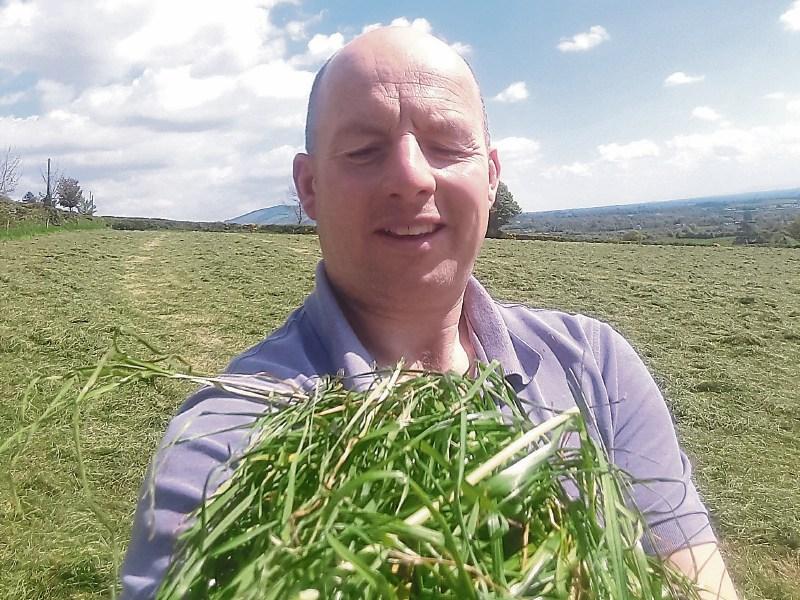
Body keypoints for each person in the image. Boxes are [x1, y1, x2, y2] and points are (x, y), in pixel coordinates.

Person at [121, 26, 739, 599]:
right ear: (309, 188)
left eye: (445, 145)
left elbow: (695, 577)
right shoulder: (227, 442)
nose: (412, 177)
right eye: (363, 149)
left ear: (491, 177)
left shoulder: (595, 367)